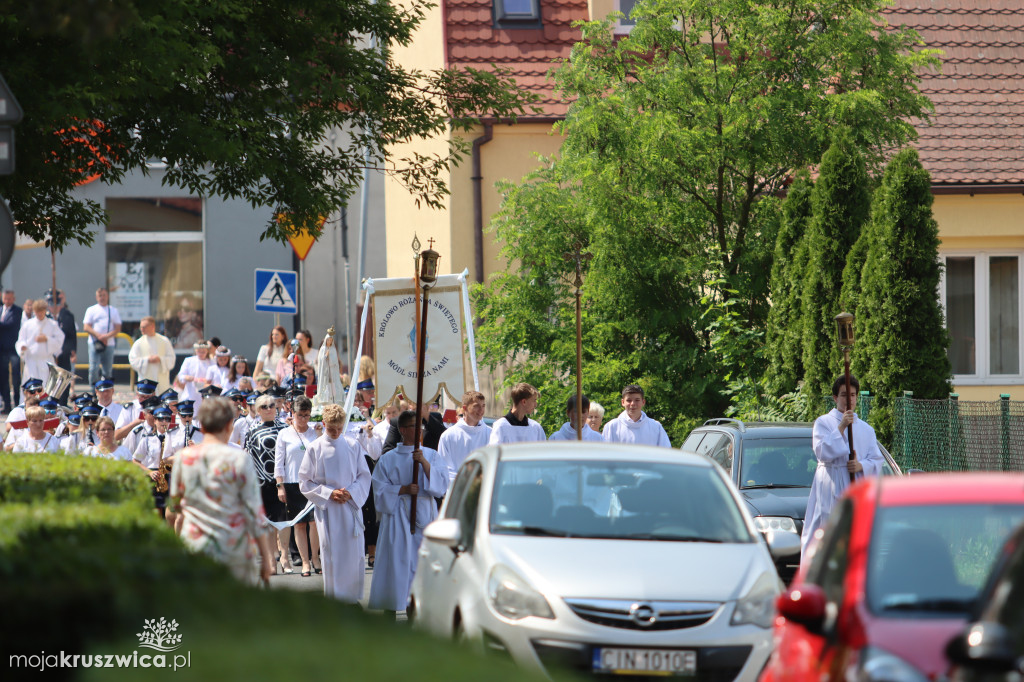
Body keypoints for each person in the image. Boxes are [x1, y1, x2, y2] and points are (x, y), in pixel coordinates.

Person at [169, 397, 274, 586]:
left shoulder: (184, 458)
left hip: (196, 547)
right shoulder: (239, 458)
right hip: (234, 548)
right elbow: (254, 511)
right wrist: (266, 557)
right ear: (228, 425)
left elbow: (176, 506)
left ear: (202, 426)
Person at [368, 409, 448, 616]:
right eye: (414, 426)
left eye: (420, 426)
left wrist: (424, 463)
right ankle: (391, 609)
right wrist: (402, 489)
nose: (419, 429)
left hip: (424, 516)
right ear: (403, 430)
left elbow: (441, 486)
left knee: (420, 564)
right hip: (397, 517)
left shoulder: (431, 454)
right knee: (396, 562)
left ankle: (418, 609)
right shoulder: (388, 459)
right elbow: (379, 490)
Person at [801, 375, 885, 560]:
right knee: (826, 530)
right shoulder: (823, 423)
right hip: (830, 483)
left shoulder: (866, 429)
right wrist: (841, 427)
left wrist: (861, 465)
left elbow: (877, 460)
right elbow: (821, 451)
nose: (850, 400)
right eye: (845, 395)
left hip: (854, 485)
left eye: (853, 395)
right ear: (835, 398)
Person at [273, 396, 321, 577]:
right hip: (292, 483)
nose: (303, 419)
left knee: (314, 523)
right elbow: (279, 463)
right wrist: (280, 485)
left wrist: (318, 436)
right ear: (292, 414)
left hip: (312, 483)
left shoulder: (315, 432)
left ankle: (315, 558)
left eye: (307, 415)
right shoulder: (284, 434)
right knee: (299, 525)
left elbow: (321, 458)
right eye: (300, 415)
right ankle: (305, 562)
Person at [244, 394, 289, 572]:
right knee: (267, 522)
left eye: (271, 405)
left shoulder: (285, 428)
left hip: (283, 481)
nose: (269, 408)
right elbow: (248, 457)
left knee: (284, 520)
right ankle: (271, 559)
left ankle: (285, 557)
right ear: (257, 410)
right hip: (262, 482)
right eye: (264, 406)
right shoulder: (253, 430)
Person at [437, 391, 491, 482]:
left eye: (483, 406)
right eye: (476, 406)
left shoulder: (491, 433)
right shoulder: (449, 436)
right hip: (458, 490)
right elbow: (444, 469)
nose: (481, 410)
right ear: (465, 408)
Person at [133, 405, 176, 519]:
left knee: (171, 513)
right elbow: (135, 460)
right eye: (161, 419)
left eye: (167, 419)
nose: (164, 422)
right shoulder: (147, 439)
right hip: (154, 476)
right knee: (156, 512)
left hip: (170, 476)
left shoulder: (174, 439)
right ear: (155, 421)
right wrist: (149, 472)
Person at [602, 384, 671, 447]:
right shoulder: (612, 427)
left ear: (643, 402)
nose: (633, 404)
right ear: (623, 402)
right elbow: (605, 454)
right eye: (629, 400)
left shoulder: (656, 427)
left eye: (637, 400)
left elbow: (666, 454)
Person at [82, 288, 122, 386]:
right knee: (93, 368)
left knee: (107, 370)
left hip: (109, 343)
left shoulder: (113, 310)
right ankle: (94, 391)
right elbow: (86, 326)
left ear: (107, 296)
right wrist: (98, 336)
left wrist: (106, 337)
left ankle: (106, 390)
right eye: (100, 296)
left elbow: (118, 328)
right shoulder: (91, 310)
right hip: (94, 342)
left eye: (104, 295)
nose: (102, 298)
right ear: (96, 297)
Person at [17, 300, 65, 383]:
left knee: (46, 387)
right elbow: (21, 340)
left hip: (46, 361)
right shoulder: (27, 325)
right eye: (37, 312)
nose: (39, 314)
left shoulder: (52, 324)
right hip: (31, 361)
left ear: (45, 311)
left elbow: (60, 338)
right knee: (32, 388)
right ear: (34, 311)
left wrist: (47, 339)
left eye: (41, 311)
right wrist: (22, 346)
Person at [128, 316, 176, 392]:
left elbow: (171, 358)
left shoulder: (164, 341)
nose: (141, 329)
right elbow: (133, 359)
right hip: (146, 380)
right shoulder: (138, 343)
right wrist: (147, 360)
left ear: (152, 326)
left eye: (144, 327)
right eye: (141, 327)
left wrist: (160, 359)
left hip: (161, 382)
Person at [47, 289, 77, 405]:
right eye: (52, 305)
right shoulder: (45, 318)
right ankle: (51, 403)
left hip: (64, 351)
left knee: (64, 378)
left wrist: (73, 351)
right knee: (51, 380)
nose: (54, 308)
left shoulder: (68, 315)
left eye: (57, 305)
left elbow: (72, 334)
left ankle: (63, 403)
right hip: (50, 354)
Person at [0, 290, 23, 413]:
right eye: (5, 298)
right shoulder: (0, 310)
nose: (7, 301)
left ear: (13, 299)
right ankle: (7, 404)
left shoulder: (18, 311)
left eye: (9, 298)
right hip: (2, 349)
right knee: (3, 377)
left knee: (15, 377)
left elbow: (10, 324)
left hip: (13, 349)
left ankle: (17, 402)